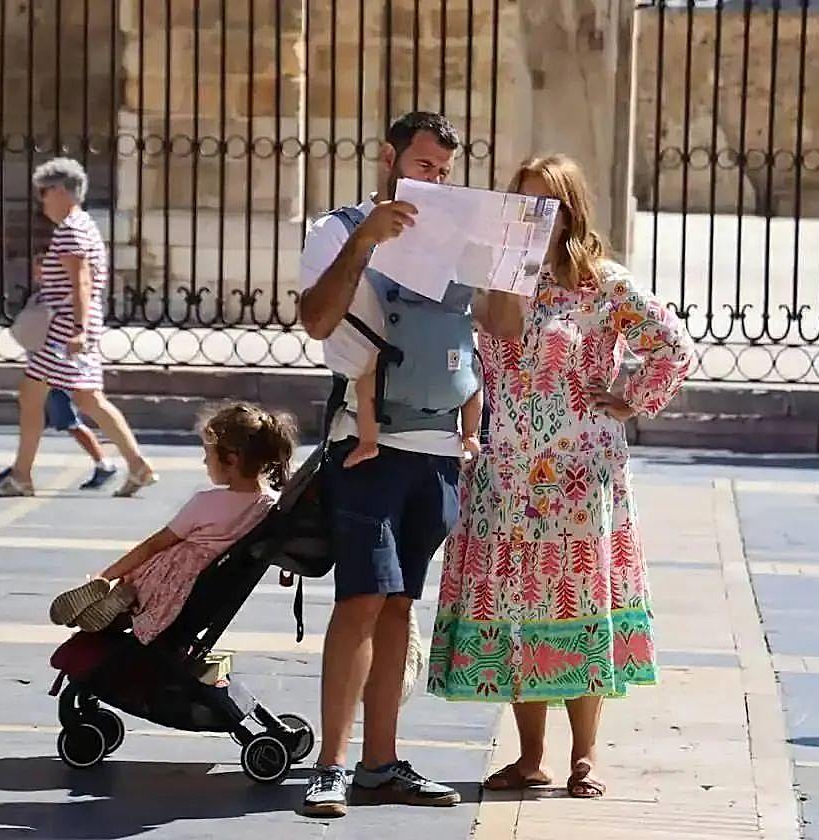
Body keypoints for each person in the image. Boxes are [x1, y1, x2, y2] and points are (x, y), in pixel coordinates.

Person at [429, 154, 696, 799]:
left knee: (580, 601)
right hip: (505, 469)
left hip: (580, 473)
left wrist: (631, 397)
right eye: (521, 202)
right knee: (518, 606)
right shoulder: (494, 278)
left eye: (545, 202)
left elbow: (674, 346)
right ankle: (529, 758)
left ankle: (585, 757)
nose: (533, 215)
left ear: (569, 209)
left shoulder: (600, 282)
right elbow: (474, 351)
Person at [298, 111, 472, 818]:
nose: (433, 182)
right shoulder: (335, 230)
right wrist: (366, 242)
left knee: (402, 605)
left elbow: (489, 329)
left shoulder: (454, 240)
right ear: (389, 158)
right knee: (362, 598)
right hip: (364, 441)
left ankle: (382, 762)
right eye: (424, 167)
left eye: (444, 173)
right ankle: (331, 766)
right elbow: (315, 320)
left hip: (436, 448)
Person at [48, 403, 295, 643]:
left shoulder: (207, 502)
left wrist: (106, 575)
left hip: (165, 580)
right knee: (135, 606)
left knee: (137, 580)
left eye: (207, 454)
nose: (204, 462)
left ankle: (112, 600)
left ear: (231, 460)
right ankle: (113, 608)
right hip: (199, 590)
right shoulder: (270, 505)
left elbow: (154, 545)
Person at [0, 157, 156, 499]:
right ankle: (138, 466)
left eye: (45, 192)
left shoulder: (70, 232)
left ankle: (22, 476)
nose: (42, 200)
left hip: (64, 329)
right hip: (78, 325)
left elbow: (81, 281)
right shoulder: (84, 226)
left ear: (62, 191)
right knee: (86, 397)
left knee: (34, 395)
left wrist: (77, 328)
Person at [0, 257, 118, 491]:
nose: (38, 277)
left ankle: (104, 463)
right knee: (37, 422)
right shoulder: (44, 297)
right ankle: (19, 468)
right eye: (37, 273)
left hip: (53, 375)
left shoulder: (60, 300)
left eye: (42, 272)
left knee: (69, 422)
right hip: (43, 371)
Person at [346, 343, 483, 469]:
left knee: (364, 388)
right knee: (475, 385)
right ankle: (470, 433)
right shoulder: (458, 319)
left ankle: (368, 443)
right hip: (452, 371)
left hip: (409, 378)